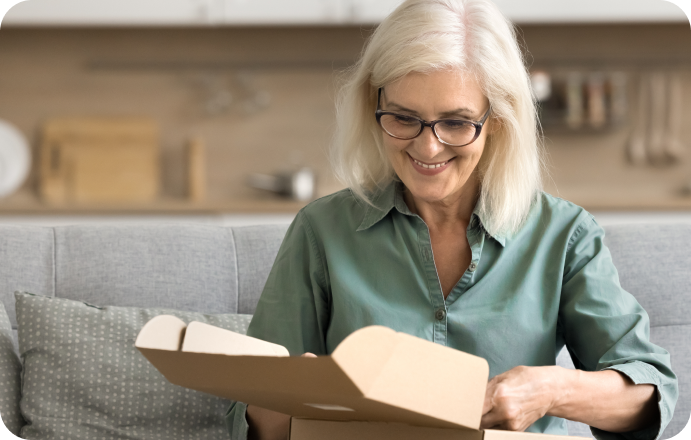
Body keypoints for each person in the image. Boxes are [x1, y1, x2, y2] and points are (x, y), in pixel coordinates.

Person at [225, 1, 678, 439]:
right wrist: (285, 396)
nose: (428, 148)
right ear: (374, 106)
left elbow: (648, 394)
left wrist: (551, 389)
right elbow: (253, 422)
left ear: (498, 120)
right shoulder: (321, 231)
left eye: (457, 123)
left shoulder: (564, 235)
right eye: (404, 118)